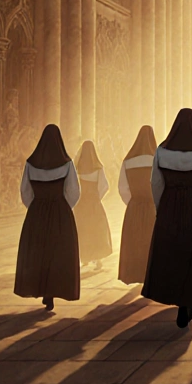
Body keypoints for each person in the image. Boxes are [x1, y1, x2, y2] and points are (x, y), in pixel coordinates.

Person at [142, 109, 192, 328]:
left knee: (173, 254)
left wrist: (161, 208)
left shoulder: (162, 151)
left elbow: (156, 183)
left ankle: (179, 301)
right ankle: (188, 303)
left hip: (170, 206)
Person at [15, 125, 81, 310]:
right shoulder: (67, 163)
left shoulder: (31, 163)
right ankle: (52, 291)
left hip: (37, 212)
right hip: (60, 211)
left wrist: (36, 207)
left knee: (39, 252)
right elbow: (74, 191)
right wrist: (63, 207)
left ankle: (44, 290)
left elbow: (25, 191)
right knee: (57, 252)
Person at [117, 125, 157, 285]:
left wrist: (133, 202)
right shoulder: (157, 160)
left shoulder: (128, 161)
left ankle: (135, 274)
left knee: (135, 242)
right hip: (152, 206)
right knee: (151, 242)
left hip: (134, 206)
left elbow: (122, 187)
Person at [74, 140, 114, 270]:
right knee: (96, 231)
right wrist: (97, 197)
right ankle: (98, 259)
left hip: (81, 203)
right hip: (94, 203)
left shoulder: (78, 168)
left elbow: (74, 186)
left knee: (82, 229)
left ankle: (84, 257)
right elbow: (105, 186)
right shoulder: (98, 167)